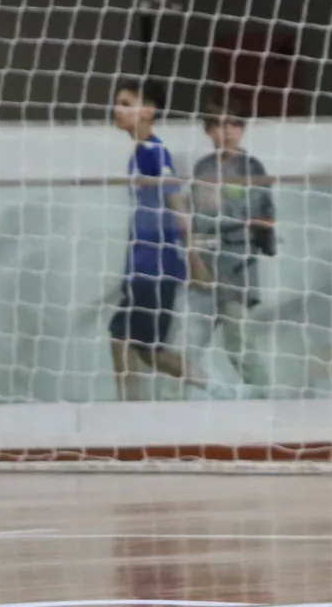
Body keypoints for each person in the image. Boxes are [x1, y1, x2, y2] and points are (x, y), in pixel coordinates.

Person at [108, 80, 206, 400]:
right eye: (117, 103)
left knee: (151, 352)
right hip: (139, 267)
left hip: (156, 267)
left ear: (148, 110)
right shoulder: (138, 153)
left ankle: (217, 387)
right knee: (121, 337)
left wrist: (193, 258)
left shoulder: (154, 151)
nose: (117, 109)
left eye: (126, 102)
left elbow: (177, 202)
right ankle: (127, 410)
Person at [190, 110, 275, 392]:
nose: (225, 132)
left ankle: (268, 402)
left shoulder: (252, 168)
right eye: (217, 124)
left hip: (238, 267)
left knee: (238, 342)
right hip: (203, 266)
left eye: (233, 124)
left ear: (242, 129)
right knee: (185, 344)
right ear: (207, 130)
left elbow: (263, 217)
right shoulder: (202, 168)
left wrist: (222, 213)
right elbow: (198, 218)